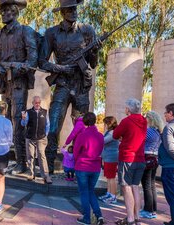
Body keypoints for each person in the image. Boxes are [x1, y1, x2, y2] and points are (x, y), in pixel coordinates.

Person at [40, 0, 100, 174]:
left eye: (75, 8)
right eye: (69, 9)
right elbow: (42, 61)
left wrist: (95, 51)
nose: (73, 11)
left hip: (81, 86)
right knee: (53, 127)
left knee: (83, 130)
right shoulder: (52, 33)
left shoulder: (87, 30)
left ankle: (79, 168)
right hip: (62, 84)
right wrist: (60, 68)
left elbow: (94, 63)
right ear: (62, 12)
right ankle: (48, 166)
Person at [0, 0, 38, 175]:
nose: (4, 14)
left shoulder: (25, 31)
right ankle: (7, 161)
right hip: (4, 83)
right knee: (6, 121)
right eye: (2, 11)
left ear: (15, 12)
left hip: (19, 82)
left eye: (7, 10)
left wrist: (19, 66)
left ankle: (22, 163)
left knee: (17, 121)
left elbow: (33, 58)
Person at [113, 98, 147, 225]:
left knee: (126, 188)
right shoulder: (144, 121)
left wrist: (124, 138)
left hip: (127, 158)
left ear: (128, 109)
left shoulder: (126, 121)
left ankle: (130, 219)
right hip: (140, 158)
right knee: (135, 187)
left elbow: (116, 134)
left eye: (126, 108)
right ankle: (137, 217)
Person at [73, 112, 106, 225]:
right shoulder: (100, 136)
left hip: (82, 166)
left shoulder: (82, 135)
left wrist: (76, 162)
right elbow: (100, 150)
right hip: (95, 167)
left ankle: (87, 218)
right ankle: (99, 216)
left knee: (84, 192)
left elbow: (76, 152)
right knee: (90, 191)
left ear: (84, 122)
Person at [21, 96, 52, 183]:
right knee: (30, 156)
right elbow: (23, 124)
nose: (37, 104)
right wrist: (23, 119)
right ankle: (31, 173)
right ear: (33, 103)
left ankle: (46, 176)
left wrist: (45, 135)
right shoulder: (28, 112)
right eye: (36, 103)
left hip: (41, 138)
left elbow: (48, 125)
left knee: (42, 156)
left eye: (39, 102)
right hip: (30, 137)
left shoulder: (45, 112)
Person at [139, 111, 164, 219]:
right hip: (155, 159)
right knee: (152, 185)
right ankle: (153, 209)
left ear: (150, 119)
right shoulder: (159, 132)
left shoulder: (148, 131)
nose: (145, 119)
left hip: (147, 157)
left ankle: (148, 210)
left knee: (146, 185)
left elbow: (140, 141)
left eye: (146, 117)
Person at [98, 116, 119, 204]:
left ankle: (113, 196)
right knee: (109, 177)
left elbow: (102, 141)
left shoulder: (112, 133)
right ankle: (109, 193)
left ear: (109, 123)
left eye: (105, 123)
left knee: (112, 177)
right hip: (108, 157)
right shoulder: (110, 132)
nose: (104, 125)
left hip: (111, 157)